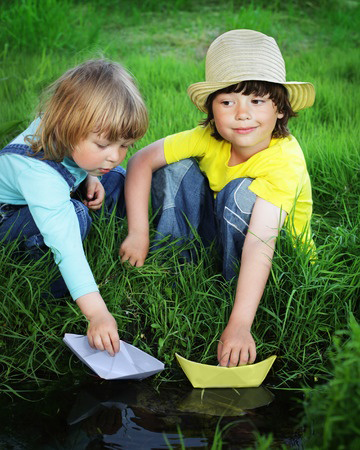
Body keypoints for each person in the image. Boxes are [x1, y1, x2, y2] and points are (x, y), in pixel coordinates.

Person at [119, 29, 315, 367]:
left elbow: (261, 241)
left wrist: (240, 324)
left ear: (280, 109)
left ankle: (231, 291)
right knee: (174, 169)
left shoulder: (285, 161)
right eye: (228, 102)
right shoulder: (207, 138)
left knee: (240, 192)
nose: (242, 114)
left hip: (272, 249)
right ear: (212, 109)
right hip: (223, 230)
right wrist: (138, 233)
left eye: (257, 101)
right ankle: (174, 273)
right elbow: (139, 162)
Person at [0, 59, 148, 356]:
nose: (115, 155)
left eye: (124, 145)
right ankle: (49, 292)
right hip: (8, 222)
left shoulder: (62, 129)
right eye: (103, 145)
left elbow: (73, 162)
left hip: (42, 196)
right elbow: (67, 249)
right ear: (68, 126)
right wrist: (97, 315)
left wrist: (89, 175)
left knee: (118, 178)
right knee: (76, 217)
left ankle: (126, 234)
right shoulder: (37, 173)